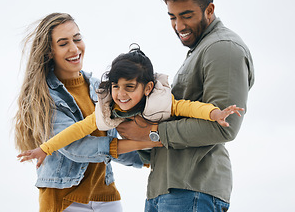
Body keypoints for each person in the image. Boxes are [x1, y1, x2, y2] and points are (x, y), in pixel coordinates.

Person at [116, 0, 255, 212]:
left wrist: (151, 132)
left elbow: (226, 125)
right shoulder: (200, 50)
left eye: (186, 16)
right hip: (166, 190)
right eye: (172, 17)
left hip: (192, 192)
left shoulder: (222, 48)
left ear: (209, 10)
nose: (179, 26)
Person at [14, 13, 154, 212]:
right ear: (49, 52)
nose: (74, 48)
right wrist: (147, 143)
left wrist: (151, 156)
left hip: (105, 195)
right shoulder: (44, 97)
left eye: (77, 39)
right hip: (64, 199)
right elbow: (76, 147)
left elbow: (114, 144)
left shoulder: (101, 88)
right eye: (63, 43)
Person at [18, 45, 244, 168]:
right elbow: (77, 130)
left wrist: (214, 113)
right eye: (116, 86)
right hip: (146, 154)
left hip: (171, 142)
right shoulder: (109, 109)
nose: (121, 94)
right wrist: (45, 149)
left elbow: (187, 107)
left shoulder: (159, 101)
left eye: (130, 87)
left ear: (147, 88)